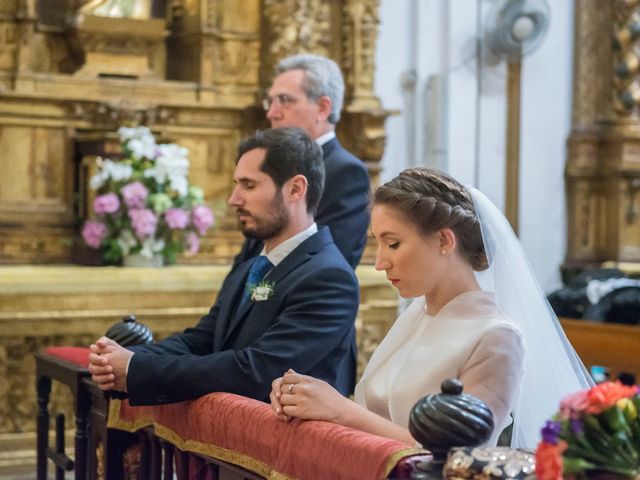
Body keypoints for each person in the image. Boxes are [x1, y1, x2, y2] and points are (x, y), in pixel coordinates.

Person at [270, 167, 593, 448]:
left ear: (444, 241)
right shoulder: (416, 314)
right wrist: (302, 398)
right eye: (377, 243)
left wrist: (339, 408)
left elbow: (457, 458)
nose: (380, 262)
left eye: (393, 243)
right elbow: (375, 414)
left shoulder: (496, 337)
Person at [88, 127, 359, 405]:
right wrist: (126, 358)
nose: (234, 199)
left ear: (295, 189)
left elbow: (254, 370)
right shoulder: (253, 266)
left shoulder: (328, 278)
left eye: (249, 185)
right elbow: (201, 341)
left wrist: (135, 370)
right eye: (236, 184)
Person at [234, 53, 371, 270]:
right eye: (271, 101)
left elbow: (326, 264)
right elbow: (251, 253)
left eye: (285, 100)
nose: (272, 113)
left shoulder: (345, 172)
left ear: (323, 108)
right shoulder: (274, 166)